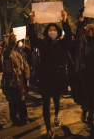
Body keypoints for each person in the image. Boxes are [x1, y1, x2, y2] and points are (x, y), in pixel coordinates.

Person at [29, 10, 72, 138]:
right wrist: (32, 22)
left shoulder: (62, 43)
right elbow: (32, 38)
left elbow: (69, 36)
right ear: (47, 32)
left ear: (58, 31)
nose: (52, 31)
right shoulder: (42, 43)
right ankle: (48, 128)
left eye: (54, 29)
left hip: (58, 77)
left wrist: (64, 21)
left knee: (56, 100)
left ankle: (57, 115)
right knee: (46, 104)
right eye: (50, 29)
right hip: (45, 77)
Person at [2, 33, 28, 126]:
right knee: (13, 100)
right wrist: (12, 43)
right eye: (18, 41)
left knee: (21, 99)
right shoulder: (8, 51)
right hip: (12, 80)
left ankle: (23, 117)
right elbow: (6, 53)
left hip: (20, 79)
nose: (20, 43)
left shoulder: (18, 52)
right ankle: (14, 117)